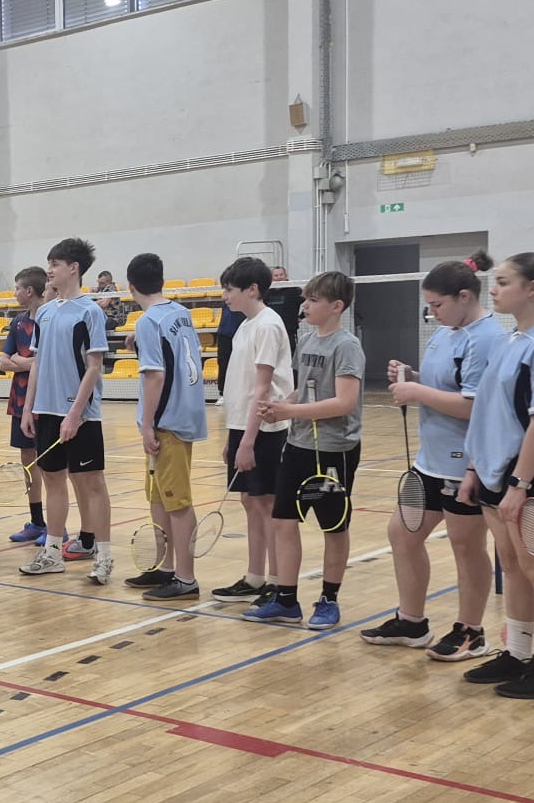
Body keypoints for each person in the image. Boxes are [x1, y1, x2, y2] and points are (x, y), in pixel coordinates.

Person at [361, 254, 504, 659]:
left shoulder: (487, 338)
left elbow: (475, 405)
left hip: (466, 465)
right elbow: (445, 385)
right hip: (430, 461)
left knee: (466, 547)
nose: (433, 313)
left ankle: (471, 631)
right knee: (402, 534)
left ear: (464, 297)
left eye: (438, 305)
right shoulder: (444, 332)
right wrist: (412, 377)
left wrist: (417, 392)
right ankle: (412, 622)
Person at [457, 254, 534, 698]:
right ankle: (518, 653)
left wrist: (520, 484)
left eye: (503, 282)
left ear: (533, 288)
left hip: (532, 470)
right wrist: (474, 468)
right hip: (496, 470)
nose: (493, 289)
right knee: (512, 565)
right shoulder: (511, 340)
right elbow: (489, 412)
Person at [246, 271, 364, 629]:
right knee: (283, 521)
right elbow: (305, 390)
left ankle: (328, 600)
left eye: (313, 300)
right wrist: (281, 405)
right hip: (298, 445)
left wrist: (290, 411)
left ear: (336, 306)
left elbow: (344, 402)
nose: (305, 306)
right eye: (306, 299)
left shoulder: (347, 346)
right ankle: (286, 600)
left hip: (333, 451)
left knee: (333, 526)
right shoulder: (307, 340)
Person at [19, 238, 114, 582]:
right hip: (46, 412)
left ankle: (104, 556)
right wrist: (29, 409)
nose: (49, 270)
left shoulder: (90, 312)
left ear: (73, 268)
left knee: (92, 483)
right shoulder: (45, 312)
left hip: (82, 415)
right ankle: (52, 553)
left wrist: (75, 412)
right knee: (52, 480)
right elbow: (37, 364)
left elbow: (94, 366)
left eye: (55, 264)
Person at [125, 254, 208, 600]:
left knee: (177, 501)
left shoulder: (148, 321)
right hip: (185, 411)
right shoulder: (181, 312)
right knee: (158, 497)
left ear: (130, 287)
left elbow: (156, 376)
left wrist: (147, 425)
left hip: (167, 420)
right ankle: (167, 567)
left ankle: (186, 579)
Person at [210, 257, 292, 606]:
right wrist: (234, 435)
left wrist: (247, 441)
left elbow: (262, 388)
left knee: (266, 503)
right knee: (249, 501)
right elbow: (240, 387)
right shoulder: (245, 326)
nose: (225, 296)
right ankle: (254, 577)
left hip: (265, 430)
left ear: (252, 289)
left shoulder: (268, 325)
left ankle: (276, 581)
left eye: (230, 289)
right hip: (242, 426)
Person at [0, 266, 46, 544]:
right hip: (20, 400)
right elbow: (3, 362)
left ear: (29, 291)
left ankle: (58, 527)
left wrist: (21, 361)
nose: (14, 292)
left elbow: (48, 362)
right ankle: (37, 522)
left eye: (17, 288)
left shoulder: (49, 320)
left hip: (45, 401)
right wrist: (31, 363)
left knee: (50, 466)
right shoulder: (18, 323)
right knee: (28, 461)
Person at [267, 266, 304, 357]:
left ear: (286, 276)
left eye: (281, 275)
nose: (279, 277)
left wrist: (301, 316)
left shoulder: (294, 291)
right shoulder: (266, 292)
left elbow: (311, 301)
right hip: (271, 331)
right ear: (272, 278)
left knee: (290, 357)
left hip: (289, 331)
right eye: (276, 275)